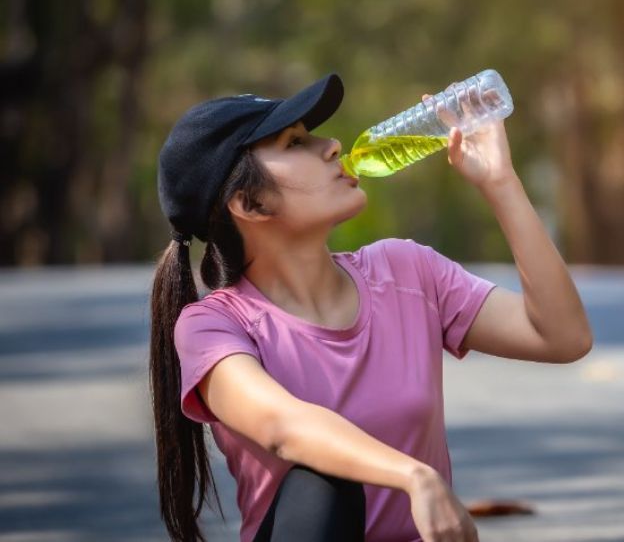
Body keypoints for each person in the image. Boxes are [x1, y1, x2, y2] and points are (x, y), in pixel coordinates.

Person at [149, 72, 593, 542]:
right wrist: (413, 476)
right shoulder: (213, 325)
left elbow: (562, 337)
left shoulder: (405, 271)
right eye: (295, 142)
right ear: (250, 203)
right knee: (321, 480)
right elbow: (285, 426)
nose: (333, 145)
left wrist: (500, 183)